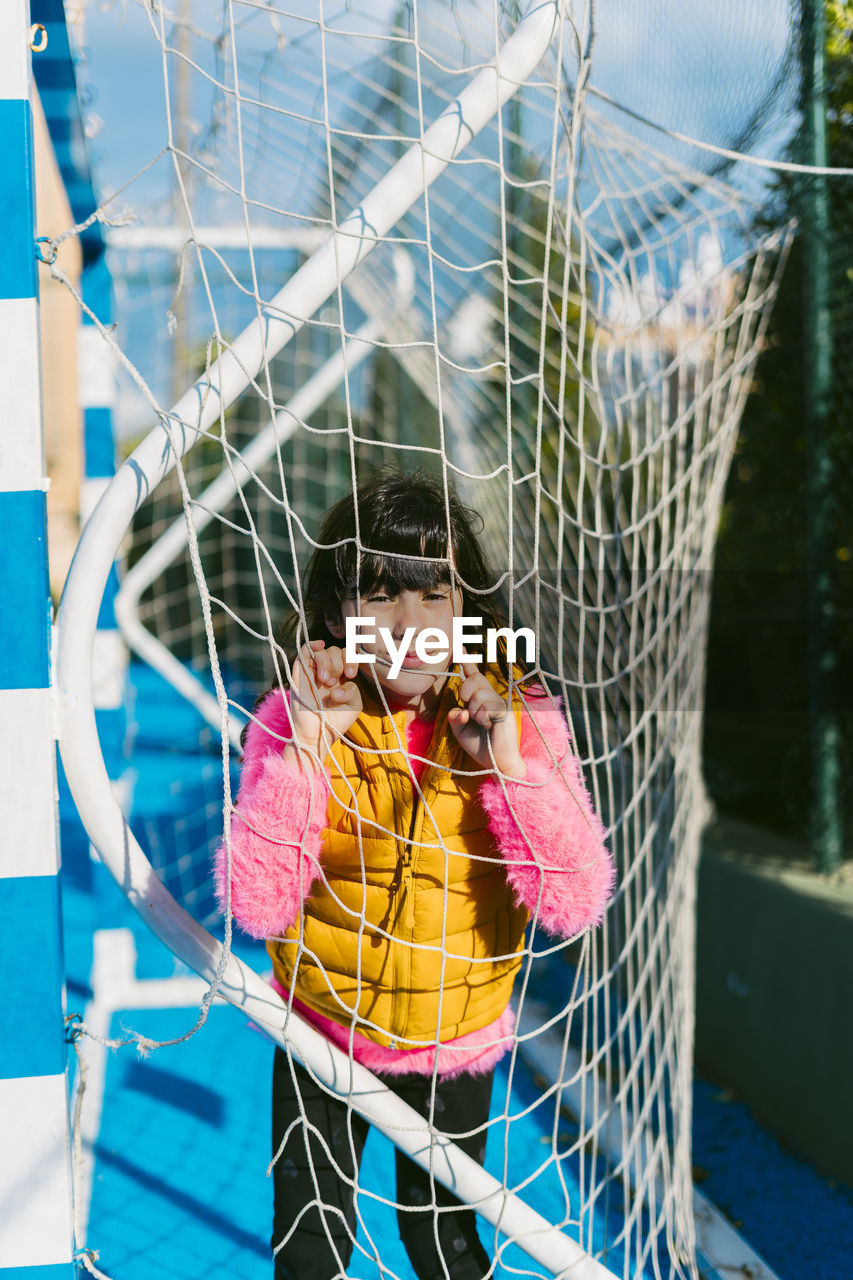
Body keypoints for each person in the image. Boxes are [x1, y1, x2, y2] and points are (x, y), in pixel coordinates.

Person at [215, 470, 614, 1280]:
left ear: (467, 610)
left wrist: (505, 768)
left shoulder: (518, 714)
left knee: (445, 1246)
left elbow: (571, 900)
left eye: (434, 596)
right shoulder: (292, 720)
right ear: (333, 615)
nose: (409, 626)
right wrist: (307, 753)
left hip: (450, 1039)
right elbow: (256, 906)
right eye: (379, 594)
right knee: (307, 1246)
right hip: (319, 1035)